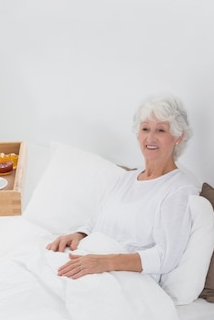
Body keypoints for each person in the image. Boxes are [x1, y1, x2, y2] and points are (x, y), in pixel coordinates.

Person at [46, 94, 199, 282]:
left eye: (160, 130)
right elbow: (97, 221)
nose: (150, 138)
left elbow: (165, 257)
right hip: (91, 260)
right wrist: (79, 234)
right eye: (145, 129)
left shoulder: (179, 189)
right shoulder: (127, 179)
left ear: (178, 136)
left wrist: (105, 263)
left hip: (127, 279)